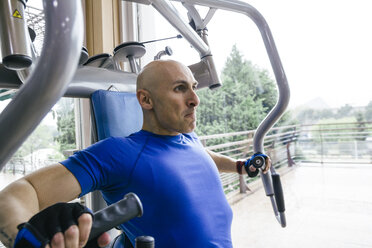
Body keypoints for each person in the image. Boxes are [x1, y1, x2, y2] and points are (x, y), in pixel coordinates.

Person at [0, 60, 271, 248]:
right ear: (146, 100)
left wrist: (238, 166)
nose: (195, 99)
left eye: (193, 86)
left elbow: (203, 154)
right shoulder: (121, 153)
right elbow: (18, 193)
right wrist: (25, 240)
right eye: (180, 88)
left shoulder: (187, 137)